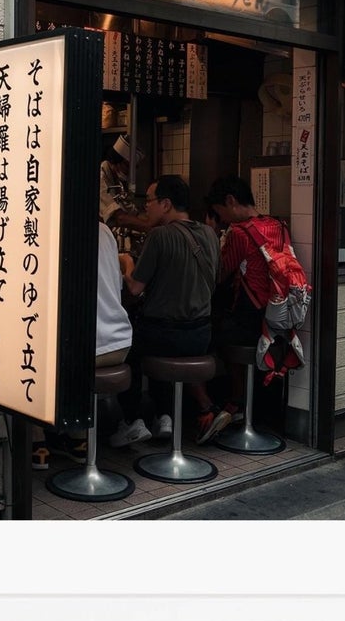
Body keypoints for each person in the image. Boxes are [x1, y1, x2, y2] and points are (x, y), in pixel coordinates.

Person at [110, 174, 222, 446]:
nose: (145, 206)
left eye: (149, 201)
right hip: (201, 336)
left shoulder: (159, 236)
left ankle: (133, 420)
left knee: (129, 347)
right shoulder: (209, 233)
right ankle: (164, 416)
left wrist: (125, 264)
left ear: (166, 204)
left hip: (164, 335)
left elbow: (135, 288)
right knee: (158, 341)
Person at [34, 218, 133, 470]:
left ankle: (37, 447)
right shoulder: (104, 231)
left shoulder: (48, 229)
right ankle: (78, 441)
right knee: (70, 359)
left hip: (88, 346)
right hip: (120, 342)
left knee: (28, 359)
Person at [203, 174, 292, 433]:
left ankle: (235, 401)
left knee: (210, 334)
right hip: (278, 315)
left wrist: (212, 235)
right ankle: (248, 404)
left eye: (220, 212)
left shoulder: (239, 233)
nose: (221, 218)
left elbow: (219, 275)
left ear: (230, 201)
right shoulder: (278, 225)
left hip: (250, 320)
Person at [99, 133, 153, 237]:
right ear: (117, 160)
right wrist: (150, 228)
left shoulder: (117, 181)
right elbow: (120, 217)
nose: (130, 172)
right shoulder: (100, 179)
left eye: (134, 168)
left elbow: (132, 212)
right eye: (128, 166)